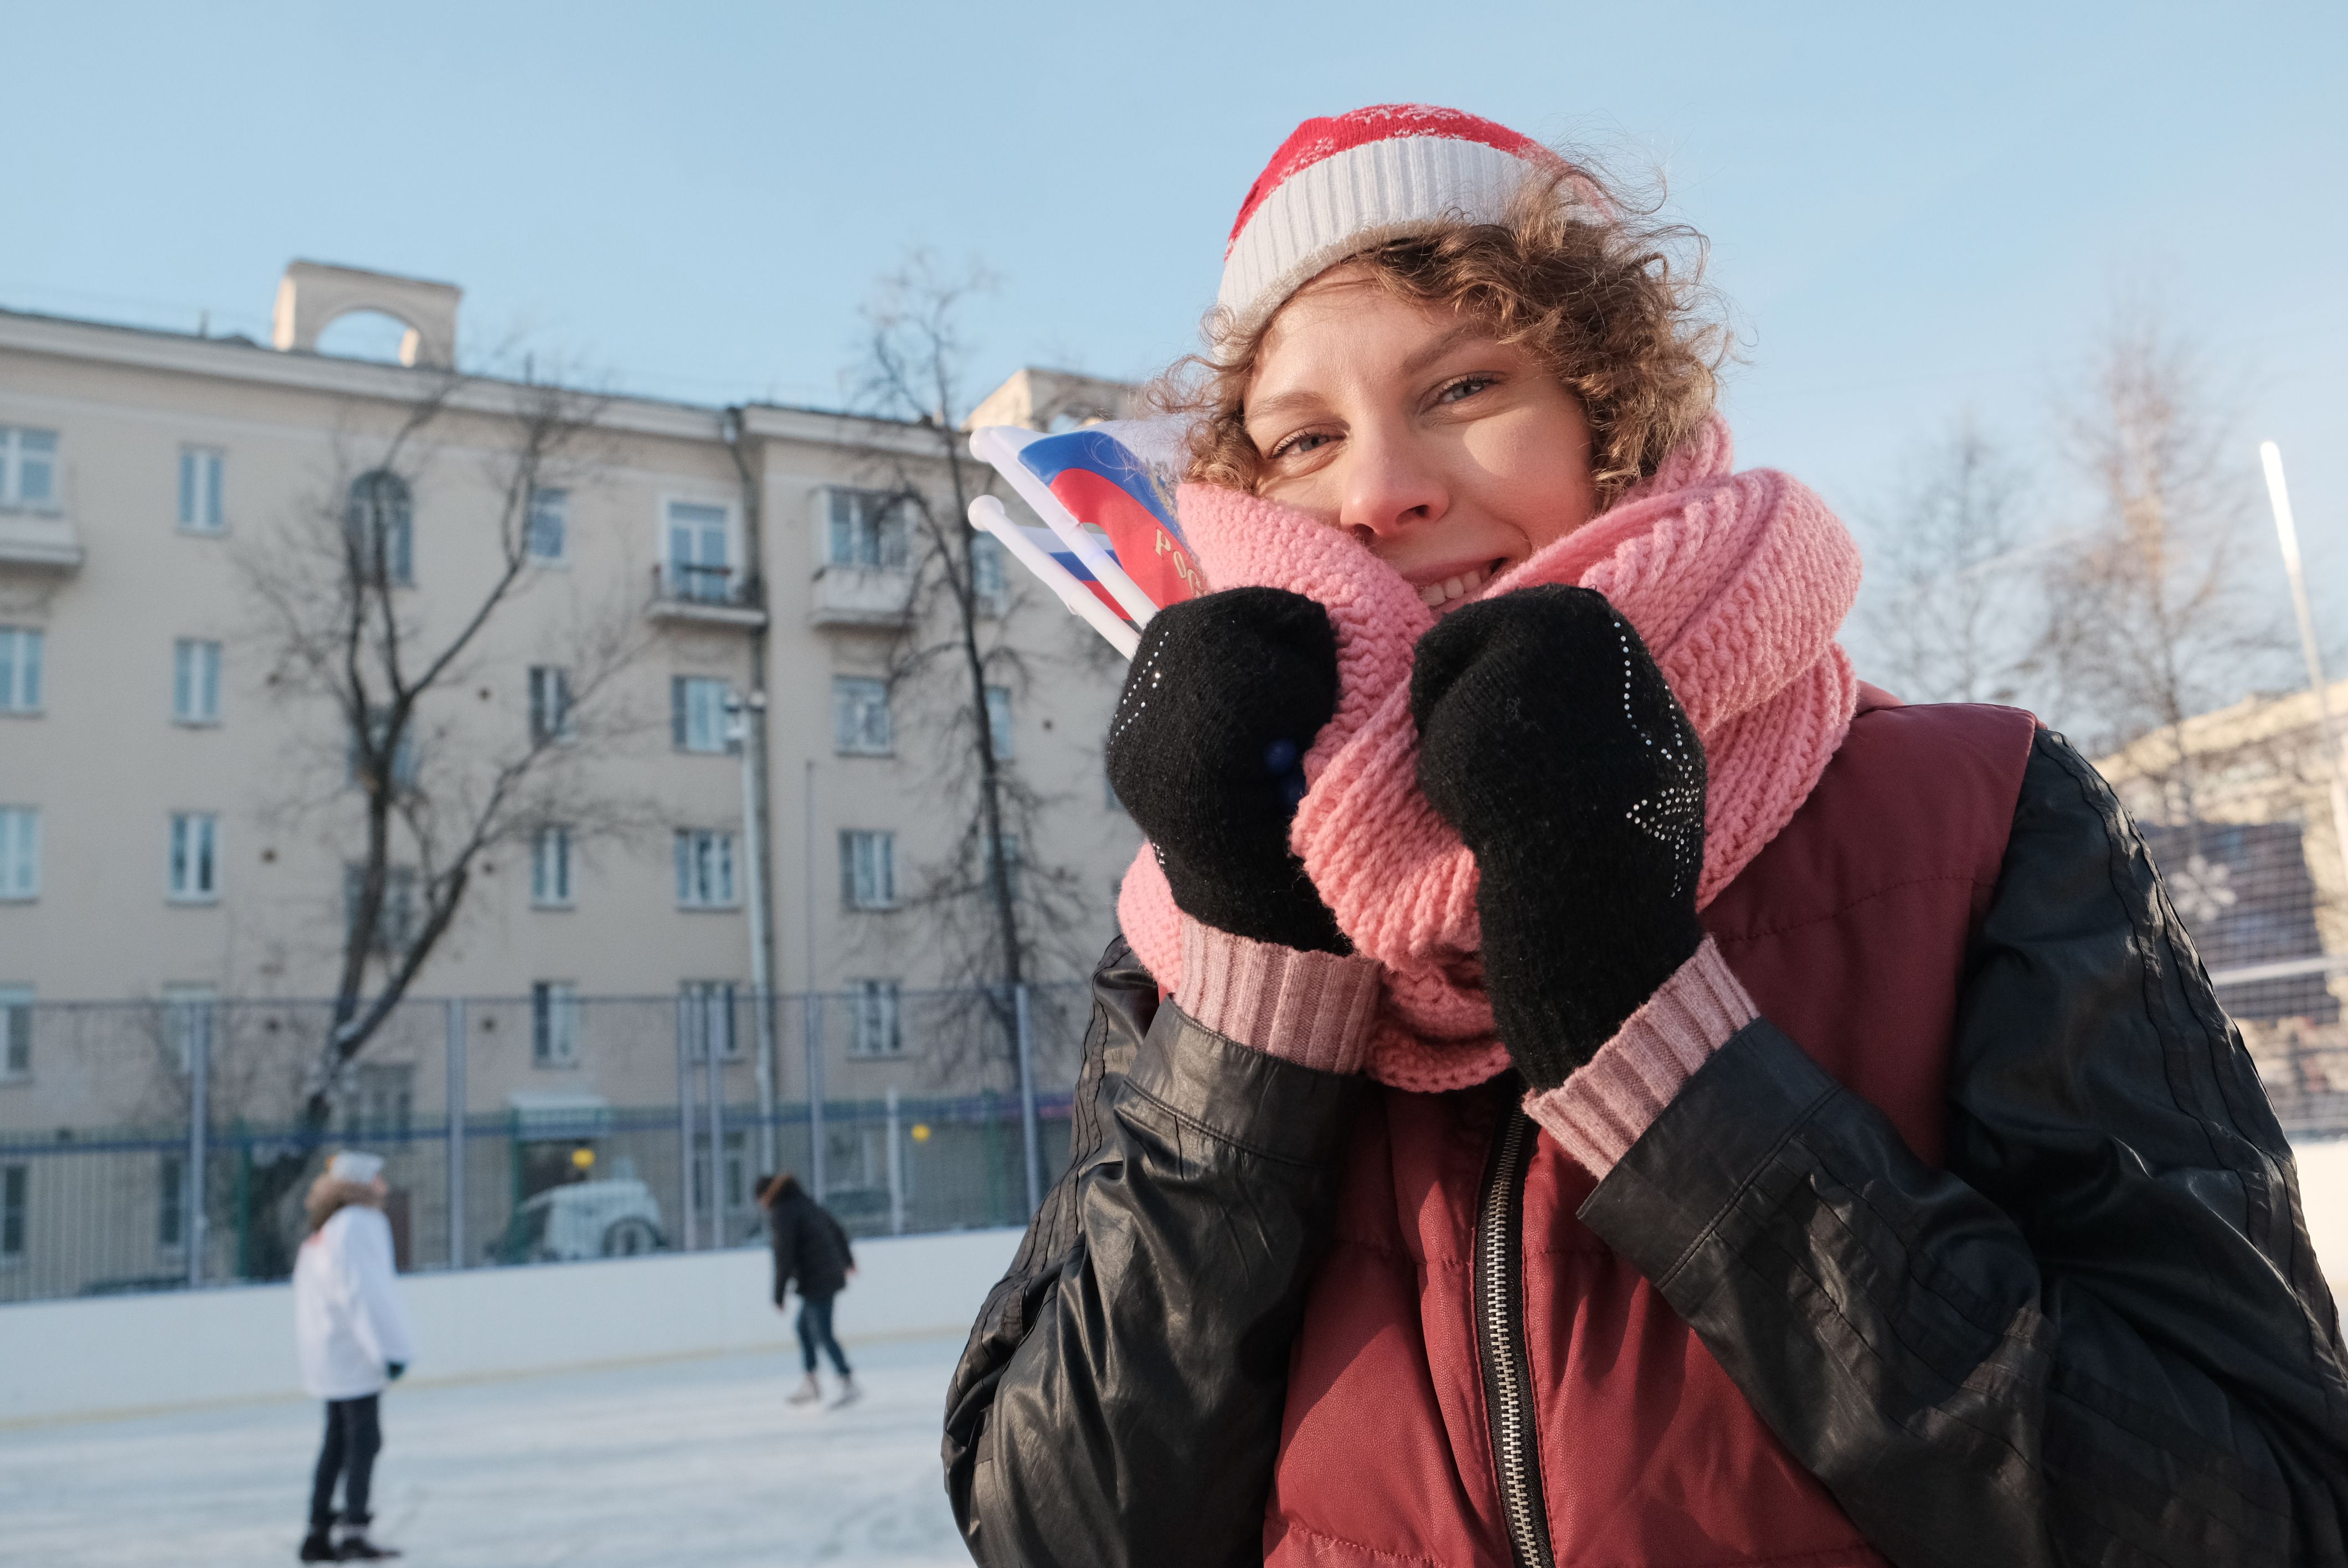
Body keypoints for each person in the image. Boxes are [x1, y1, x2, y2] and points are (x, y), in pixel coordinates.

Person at [945, 104, 2348, 1566]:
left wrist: (1659, 1045)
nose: (1378, 492)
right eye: (1307, 437)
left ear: (1614, 421)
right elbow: (1059, 1534)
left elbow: (2253, 1518)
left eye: (1466, 383)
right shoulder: (1198, 922)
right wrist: (1250, 997)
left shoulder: (1974, 812)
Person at [292, 1149, 414, 1562]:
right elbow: (366, 1293)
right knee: (363, 1441)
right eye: (378, 1178)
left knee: (336, 1443)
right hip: (356, 1351)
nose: (384, 1185)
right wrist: (389, 1349)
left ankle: (318, 1531)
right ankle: (354, 1531)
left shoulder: (324, 1229)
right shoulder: (361, 1224)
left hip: (331, 1353)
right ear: (361, 1184)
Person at [758, 1171, 858, 1409]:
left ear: (765, 1196)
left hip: (818, 1279)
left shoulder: (783, 1212)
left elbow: (784, 1255)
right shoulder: (804, 1203)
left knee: (822, 1333)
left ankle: (846, 1381)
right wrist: (847, 1260)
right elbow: (837, 1229)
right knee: (803, 1328)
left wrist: (779, 1294)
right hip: (823, 1275)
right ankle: (812, 1383)